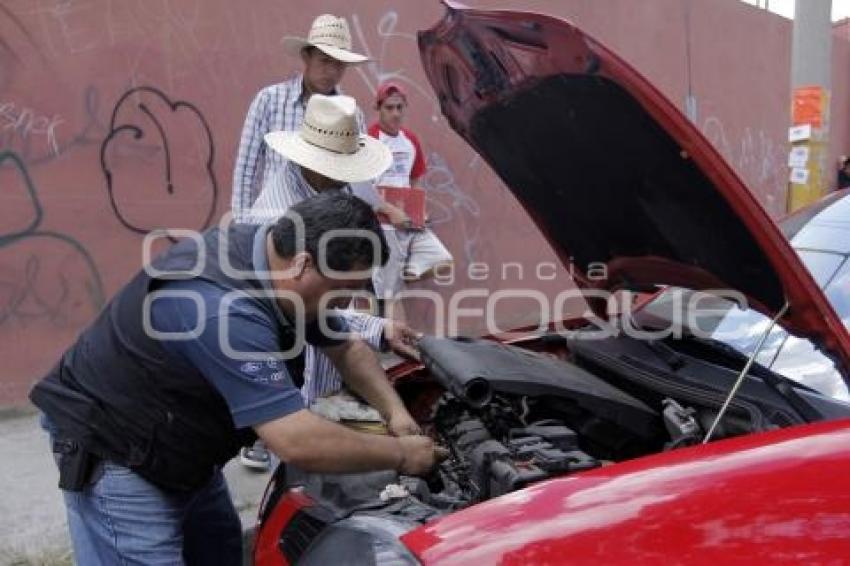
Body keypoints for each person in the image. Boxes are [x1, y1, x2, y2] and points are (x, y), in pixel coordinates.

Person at [30, 199, 443, 564]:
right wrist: (402, 455)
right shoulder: (223, 311)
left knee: (220, 552)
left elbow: (346, 346)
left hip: (183, 443)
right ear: (302, 263)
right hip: (118, 448)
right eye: (345, 288)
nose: (351, 302)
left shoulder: (274, 259)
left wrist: (398, 415)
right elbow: (294, 439)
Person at [240, 93, 420, 470]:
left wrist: (378, 328)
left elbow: (331, 322)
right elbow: (309, 308)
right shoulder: (276, 218)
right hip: (291, 382)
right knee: (301, 470)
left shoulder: (337, 189)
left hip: (325, 374)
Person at [232, 13, 368, 223]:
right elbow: (246, 169)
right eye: (324, 61)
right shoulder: (270, 101)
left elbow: (359, 178)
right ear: (306, 57)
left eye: (339, 65)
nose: (331, 71)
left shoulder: (351, 115)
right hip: (274, 222)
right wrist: (241, 227)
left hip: (326, 228)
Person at [367, 82, 453, 322]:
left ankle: (392, 274)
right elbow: (363, 188)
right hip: (382, 220)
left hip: (409, 218)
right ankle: (399, 343)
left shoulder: (410, 140)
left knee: (442, 259)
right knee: (392, 294)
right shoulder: (370, 140)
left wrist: (420, 212)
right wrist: (390, 212)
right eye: (389, 108)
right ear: (379, 109)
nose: (395, 113)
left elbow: (415, 180)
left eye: (400, 107)